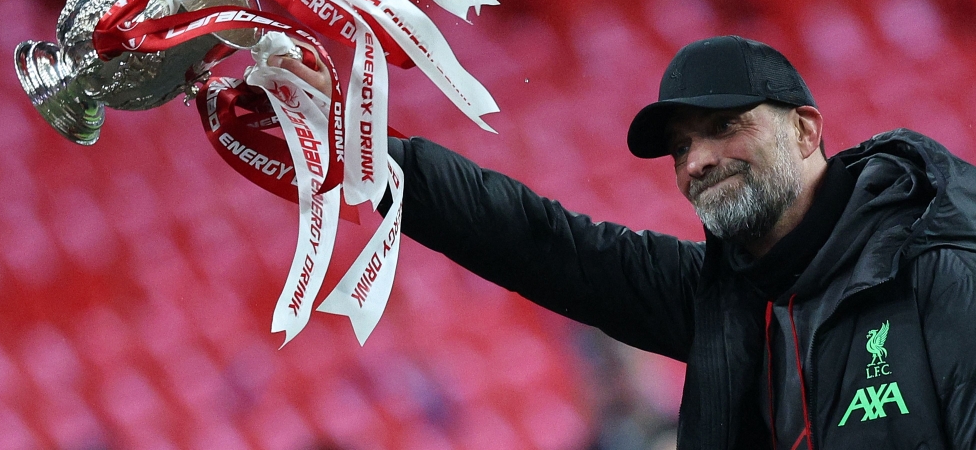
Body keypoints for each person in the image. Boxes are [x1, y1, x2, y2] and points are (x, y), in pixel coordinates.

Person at [272, 35, 976, 449]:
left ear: (806, 129)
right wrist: (360, 141)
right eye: (680, 147)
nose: (698, 160)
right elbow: (536, 242)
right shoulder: (722, 299)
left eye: (726, 126)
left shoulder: (939, 266)